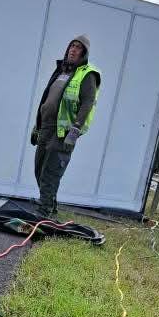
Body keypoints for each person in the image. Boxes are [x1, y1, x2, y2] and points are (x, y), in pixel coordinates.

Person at [30, 36, 101, 218]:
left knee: (51, 172)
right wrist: (37, 127)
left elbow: (87, 103)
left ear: (84, 53)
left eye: (78, 48)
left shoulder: (87, 74)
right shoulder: (61, 71)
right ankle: (50, 205)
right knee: (39, 169)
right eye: (72, 46)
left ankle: (44, 212)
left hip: (63, 132)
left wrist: (75, 130)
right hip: (46, 127)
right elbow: (47, 99)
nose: (73, 50)